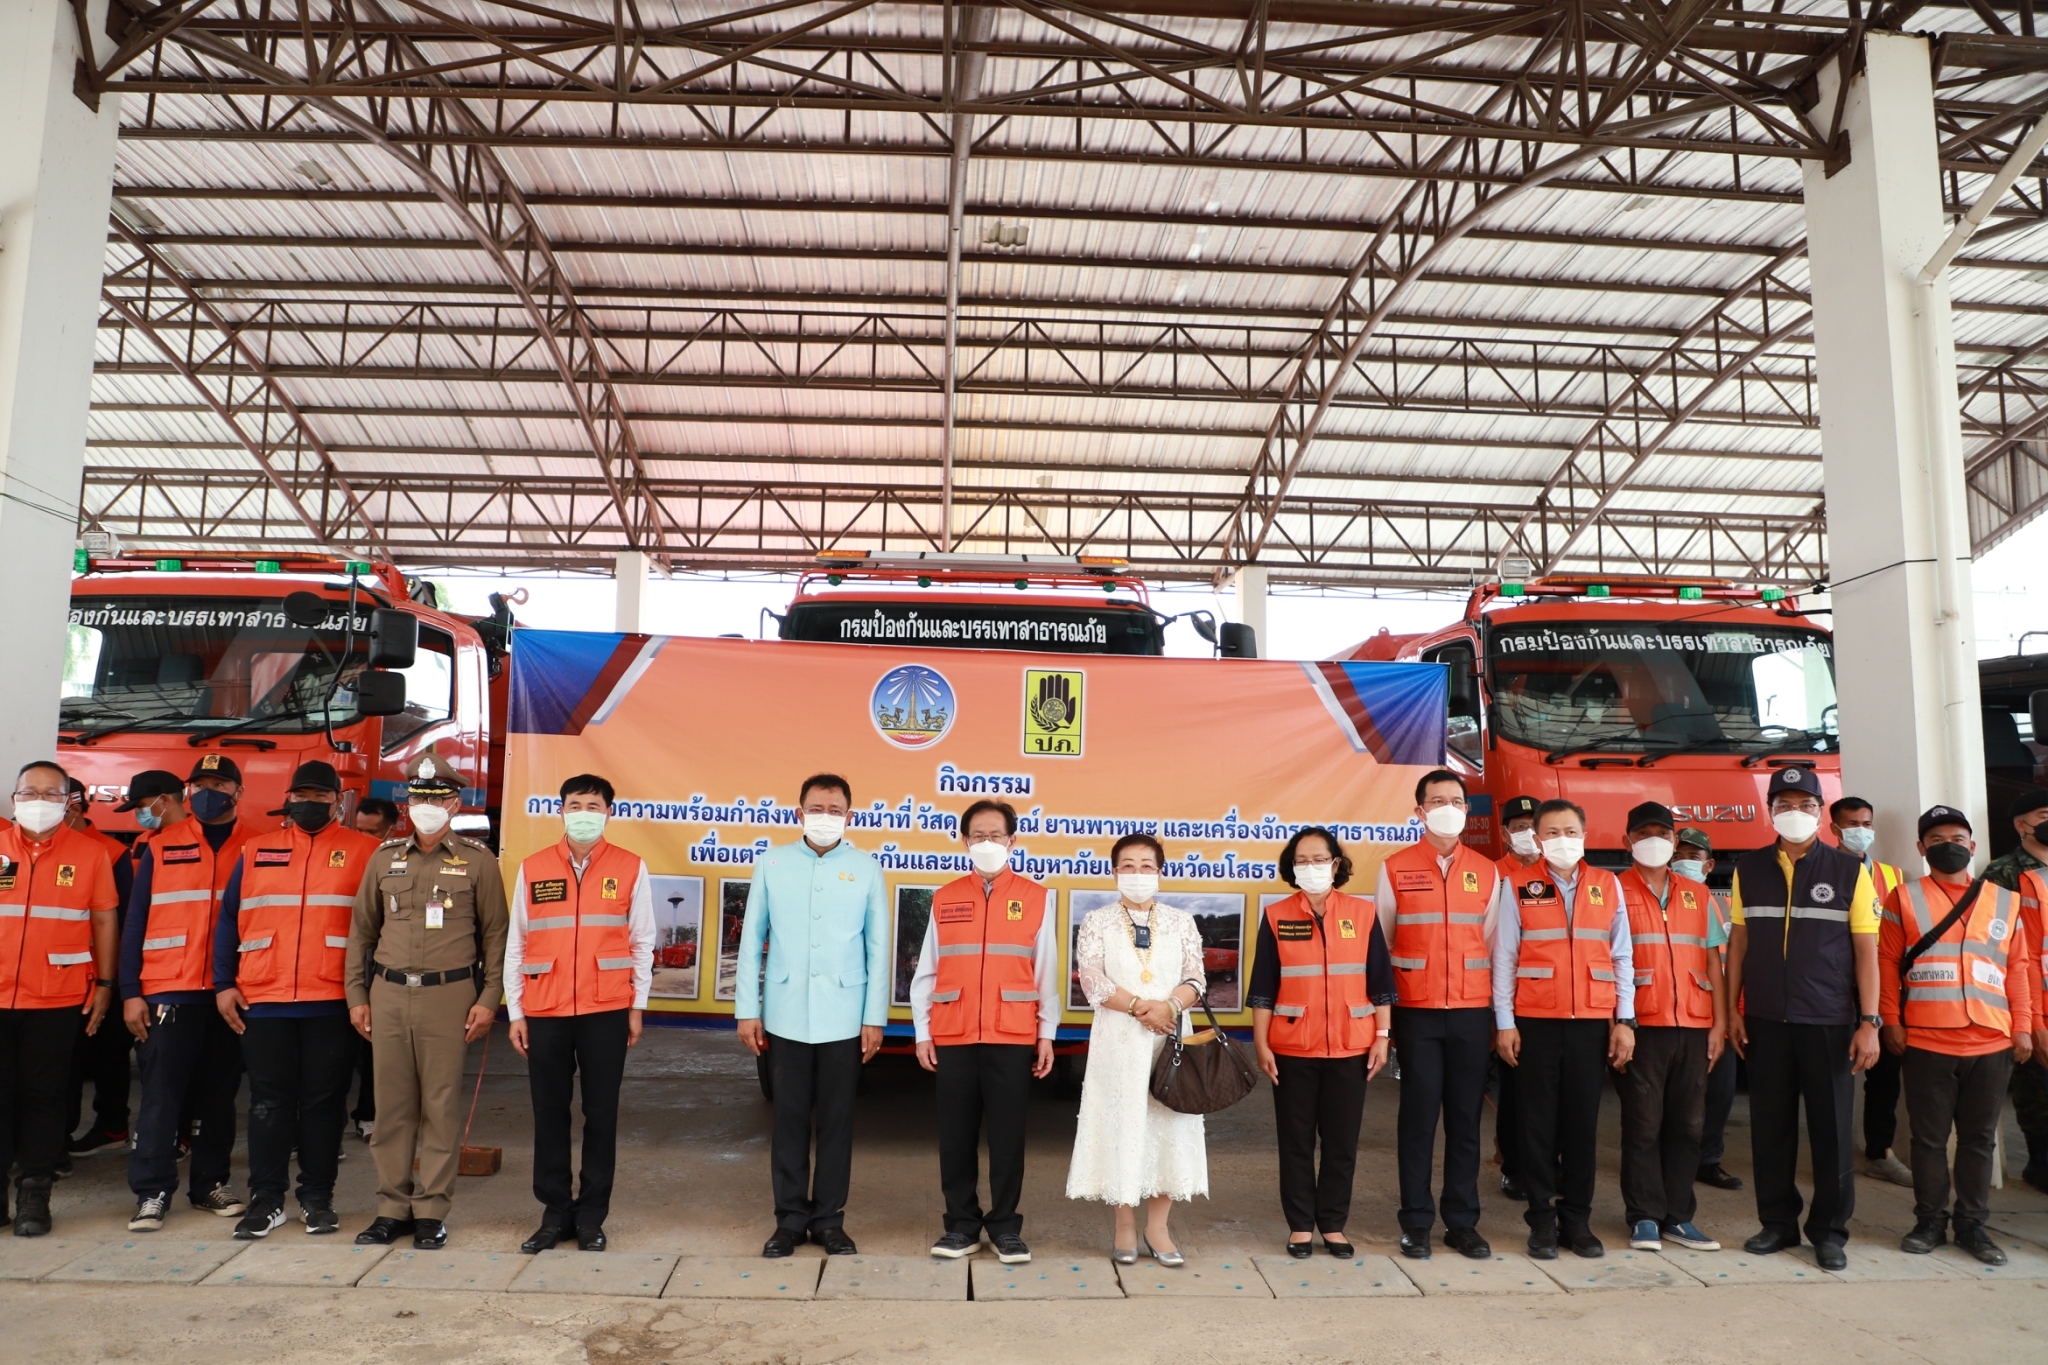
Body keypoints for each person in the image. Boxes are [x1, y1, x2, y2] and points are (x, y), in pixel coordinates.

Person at [346, 747, 507, 1250]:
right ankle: (391, 1208)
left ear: (455, 804)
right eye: (419, 797)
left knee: (440, 1106)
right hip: (389, 993)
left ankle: (432, 1211)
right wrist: (356, 994)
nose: (427, 806)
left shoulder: (478, 861)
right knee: (392, 1108)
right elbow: (361, 932)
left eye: (437, 798)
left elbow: (496, 936)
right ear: (408, 803)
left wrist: (489, 998)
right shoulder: (384, 858)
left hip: (449, 995)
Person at [215, 760, 380, 1240]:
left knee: (324, 1103)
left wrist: (370, 993)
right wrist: (224, 983)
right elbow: (229, 919)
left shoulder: (366, 851)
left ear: (337, 802)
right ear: (288, 799)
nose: (310, 803)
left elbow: (381, 927)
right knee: (268, 1103)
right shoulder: (255, 849)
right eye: (301, 795)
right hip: (263, 996)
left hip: (333, 998)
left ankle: (316, 1199)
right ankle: (266, 1201)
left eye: (320, 796)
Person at [1726, 765, 1881, 1271]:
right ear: (1769, 810)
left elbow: (1867, 952)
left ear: (1820, 812)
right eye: (1784, 805)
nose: (1795, 813)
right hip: (1766, 1018)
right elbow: (1739, 944)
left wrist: (1870, 1021)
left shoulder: (1849, 871)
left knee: (1832, 1130)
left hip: (1829, 1020)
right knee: (1770, 1127)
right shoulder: (1749, 868)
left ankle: (1829, 1232)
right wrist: (1732, 1010)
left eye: (1806, 805)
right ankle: (1777, 1223)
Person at [735, 773, 888, 1258]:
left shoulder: (866, 868)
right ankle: (789, 1221)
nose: (825, 817)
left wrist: (874, 1017)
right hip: (784, 1015)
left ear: (849, 816)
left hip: (845, 1015)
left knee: (837, 1123)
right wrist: (747, 1009)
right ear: (799, 812)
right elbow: (750, 941)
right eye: (816, 809)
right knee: (789, 1121)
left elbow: (878, 948)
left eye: (835, 810)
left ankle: (828, 1221)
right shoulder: (772, 863)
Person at [1880, 805, 2036, 1266]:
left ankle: (1972, 1226)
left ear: (1972, 845)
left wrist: (2023, 1026)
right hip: (1927, 1040)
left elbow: (2018, 968)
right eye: (1935, 840)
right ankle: (1929, 1221)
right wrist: (1890, 1019)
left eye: (1956, 838)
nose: (1947, 846)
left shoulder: (2004, 900)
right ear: (1921, 848)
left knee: (1979, 1140)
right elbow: (1886, 962)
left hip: (1991, 1041)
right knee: (1928, 1141)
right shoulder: (1903, 897)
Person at [506, 773, 654, 1254]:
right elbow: (517, 943)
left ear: (609, 812)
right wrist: (516, 1011)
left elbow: (643, 942)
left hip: (605, 1008)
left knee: (601, 1114)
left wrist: (637, 1005)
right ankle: (554, 1215)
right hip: (545, 1008)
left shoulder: (630, 866)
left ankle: (591, 1216)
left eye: (593, 806)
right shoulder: (533, 867)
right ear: (561, 811)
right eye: (575, 805)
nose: (584, 813)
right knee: (549, 1113)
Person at [911, 800, 1058, 1264]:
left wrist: (1047, 1034)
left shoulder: (1037, 897)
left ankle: (1006, 1228)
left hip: (1011, 1034)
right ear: (964, 841)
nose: (987, 843)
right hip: (953, 1032)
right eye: (978, 835)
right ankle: (961, 1226)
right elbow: (927, 970)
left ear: (1013, 841)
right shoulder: (945, 897)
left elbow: (1046, 973)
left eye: (996, 835)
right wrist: (922, 1032)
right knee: (955, 1136)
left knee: (1008, 1137)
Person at [1492, 798, 1634, 1260]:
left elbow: (1622, 956)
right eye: (1551, 832)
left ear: (1585, 835)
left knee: (1580, 1125)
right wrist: (1505, 1023)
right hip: (1535, 1022)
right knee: (1536, 1126)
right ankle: (1540, 1221)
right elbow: (1505, 956)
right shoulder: (1517, 885)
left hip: (1591, 1023)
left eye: (1570, 831)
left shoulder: (1607, 884)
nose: (1562, 840)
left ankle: (1577, 1221)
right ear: (1537, 838)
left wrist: (1625, 1021)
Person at [119, 768, 252, 1231]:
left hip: (232, 992)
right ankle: (152, 1192)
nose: (208, 794)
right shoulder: (160, 844)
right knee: (161, 1097)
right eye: (200, 787)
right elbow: (135, 920)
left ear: (238, 791)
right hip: (168, 988)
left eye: (219, 786)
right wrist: (131, 992)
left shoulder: (260, 845)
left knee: (219, 1097)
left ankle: (209, 1184)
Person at [1376, 772, 1501, 1261]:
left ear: (1467, 810)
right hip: (1418, 1012)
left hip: (1470, 1011)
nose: (1447, 808)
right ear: (1419, 811)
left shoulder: (1488, 872)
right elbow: (1384, 943)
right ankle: (1416, 1223)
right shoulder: (1394, 868)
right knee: (1418, 1120)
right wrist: (1387, 1021)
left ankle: (1462, 1223)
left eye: (1455, 800)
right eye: (1436, 801)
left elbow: (1492, 944)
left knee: (1466, 1122)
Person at [1066, 833, 1206, 1265]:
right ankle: (1124, 1223)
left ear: (1160, 871)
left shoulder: (1182, 922)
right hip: (1118, 1040)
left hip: (1171, 1037)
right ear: (1114, 872)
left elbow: (1196, 978)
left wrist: (1168, 1007)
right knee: (1122, 1125)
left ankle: (1157, 1227)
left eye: (1147, 866)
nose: (1137, 873)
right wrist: (1139, 1008)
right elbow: (1091, 979)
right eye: (1128, 865)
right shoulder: (1097, 921)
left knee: (1169, 1125)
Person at [1255, 826, 1393, 1260]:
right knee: (1295, 1140)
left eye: (1319, 859)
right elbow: (1263, 987)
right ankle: (1300, 1226)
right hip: (1292, 1046)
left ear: (1335, 865)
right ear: (1291, 867)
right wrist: (1261, 1043)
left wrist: (1383, 1036)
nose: (1311, 867)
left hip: (1352, 1046)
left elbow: (1380, 981)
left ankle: (1332, 1224)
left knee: (1341, 1142)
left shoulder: (1363, 913)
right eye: (1302, 860)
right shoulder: (1276, 915)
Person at [0, 762, 120, 1235]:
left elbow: (104, 920)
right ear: (14, 797)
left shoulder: (90, 854)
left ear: (69, 801)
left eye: (51, 794)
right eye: (30, 792)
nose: (39, 801)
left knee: (44, 1097)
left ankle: (35, 1193)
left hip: (55, 997)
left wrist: (106, 985)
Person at [1612, 802, 1726, 1254]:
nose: (1653, 841)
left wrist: (1720, 1023)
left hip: (1694, 1024)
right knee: (1643, 1124)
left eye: (1662, 834)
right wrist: (1618, 1024)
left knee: (1688, 1125)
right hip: (1642, 1024)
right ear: (1627, 842)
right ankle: (1643, 1216)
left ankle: (1678, 1216)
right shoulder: (1613, 890)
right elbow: (1606, 959)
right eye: (1643, 834)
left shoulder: (1698, 894)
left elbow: (1713, 962)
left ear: (1675, 841)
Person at [1830, 797, 1912, 1187]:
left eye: (1866, 823)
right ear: (1835, 829)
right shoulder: (1821, 869)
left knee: (1884, 1074)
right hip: (1833, 987)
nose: (1860, 830)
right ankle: (1831, 1155)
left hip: (1883, 986)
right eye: (1851, 824)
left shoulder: (1892, 875)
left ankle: (1879, 1153)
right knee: (1831, 1076)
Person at [62, 775, 138, 1161]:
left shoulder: (110, 852)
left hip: (104, 975)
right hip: (58, 976)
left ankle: (112, 1126)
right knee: (65, 1062)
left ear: (74, 807)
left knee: (109, 1055)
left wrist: (113, 981)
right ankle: (56, 1139)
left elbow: (121, 922)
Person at [1985, 787, 2048, 1193]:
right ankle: (2040, 1164)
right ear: (2021, 825)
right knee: (2036, 1089)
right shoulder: (2003, 873)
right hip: (2029, 997)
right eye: (2044, 815)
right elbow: (1998, 944)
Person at [1676, 828, 1743, 1193]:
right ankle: (1672, 1160)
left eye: (1693, 856)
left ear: (1709, 865)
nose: (1684, 862)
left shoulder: (1727, 906)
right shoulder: (1665, 902)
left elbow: (1736, 964)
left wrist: (1734, 1015)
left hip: (1720, 1016)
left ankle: (1708, 1160)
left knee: (1719, 1094)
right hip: (1681, 1015)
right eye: (1679, 855)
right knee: (1677, 1097)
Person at [1490, 794, 1540, 1203]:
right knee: (1514, 1090)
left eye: (1534, 825)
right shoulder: (1492, 876)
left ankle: (1548, 1165)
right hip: (1508, 999)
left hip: (1549, 999)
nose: (1529, 833)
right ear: (1505, 834)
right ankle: (1515, 1167)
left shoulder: (1559, 873)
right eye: (1520, 826)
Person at [346, 797, 398, 1141]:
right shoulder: (343, 855)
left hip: (379, 967)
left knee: (373, 1047)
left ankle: (368, 1114)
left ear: (391, 830)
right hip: (340, 964)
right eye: (359, 830)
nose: (365, 838)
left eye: (373, 832)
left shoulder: (397, 860)